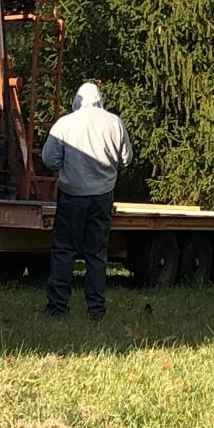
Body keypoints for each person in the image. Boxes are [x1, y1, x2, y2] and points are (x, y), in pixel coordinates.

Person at [43, 81, 133, 320]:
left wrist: (68, 167)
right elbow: (126, 159)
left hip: (72, 195)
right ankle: (96, 309)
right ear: (100, 99)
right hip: (102, 196)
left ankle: (58, 308)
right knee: (96, 254)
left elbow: (49, 159)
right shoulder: (114, 122)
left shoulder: (64, 124)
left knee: (64, 251)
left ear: (76, 100)